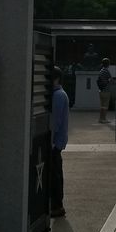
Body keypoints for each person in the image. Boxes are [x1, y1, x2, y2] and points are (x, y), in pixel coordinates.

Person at [49, 67, 69, 218]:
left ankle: (56, 205)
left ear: (55, 79)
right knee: (56, 172)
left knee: (54, 174)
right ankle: (57, 204)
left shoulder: (58, 96)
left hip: (55, 142)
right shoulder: (60, 94)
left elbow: (55, 121)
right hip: (59, 141)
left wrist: (50, 140)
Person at [96, 58, 113, 123]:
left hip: (101, 90)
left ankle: (100, 118)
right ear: (108, 64)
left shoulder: (101, 71)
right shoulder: (106, 71)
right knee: (105, 105)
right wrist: (109, 80)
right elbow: (111, 80)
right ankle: (104, 119)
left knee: (102, 105)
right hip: (106, 90)